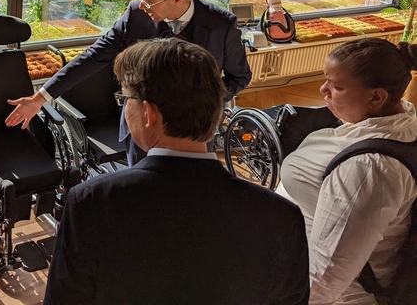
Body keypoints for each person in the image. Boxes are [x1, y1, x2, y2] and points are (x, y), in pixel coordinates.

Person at [44, 38, 309, 304]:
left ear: (148, 113)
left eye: (125, 100)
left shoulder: (91, 203)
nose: (125, 110)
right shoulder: (282, 216)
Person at [6, 0, 252, 165]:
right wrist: (40, 98)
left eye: (149, 0)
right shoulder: (135, 15)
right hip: (141, 132)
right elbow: (94, 56)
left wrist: (203, 102)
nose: (141, 5)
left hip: (195, 134)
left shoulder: (221, 24)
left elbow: (239, 76)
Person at [276, 38, 417, 304]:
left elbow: (325, 278)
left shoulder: (367, 170)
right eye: (325, 79)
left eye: (337, 86)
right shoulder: (403, 121)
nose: (322, 89)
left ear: (376, 97)